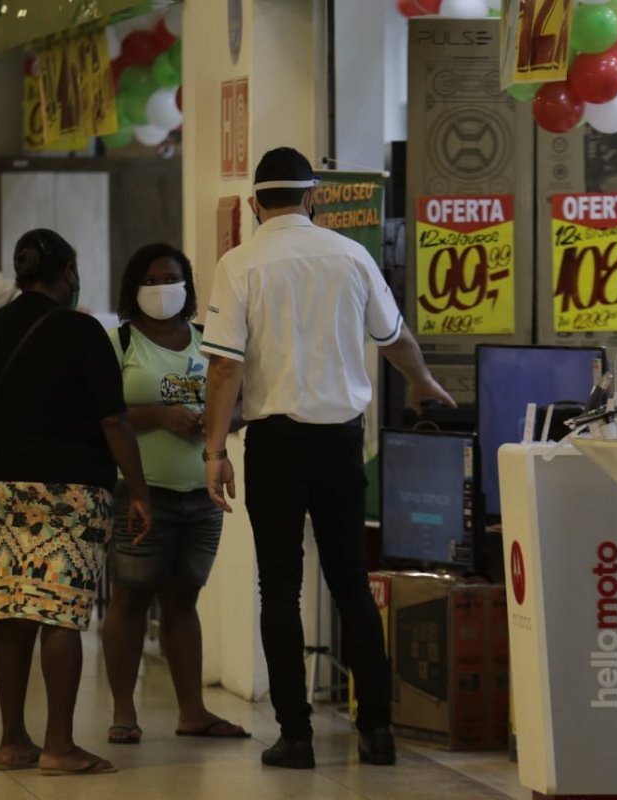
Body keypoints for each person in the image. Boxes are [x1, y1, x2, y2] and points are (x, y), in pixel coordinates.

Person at [200, 148, 456, 769]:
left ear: (258, 202)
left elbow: (225, 367)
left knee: (280, 590)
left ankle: (296, 736)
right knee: (351, 587)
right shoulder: (352, 255)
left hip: (276, 447)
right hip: (343, 441)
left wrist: (214, 451)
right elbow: (395, 338)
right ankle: (377, 732)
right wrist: (424, 383)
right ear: (311, 196)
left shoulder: (239, 265)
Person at [0, 228, 152, 776]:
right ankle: (59, 745)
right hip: (72, 490)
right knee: (61, 614)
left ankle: (13, 741)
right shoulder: (83, 333)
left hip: (3, 490)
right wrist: (138, 489)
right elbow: (115, 421)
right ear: (66, 273)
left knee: (15, 613)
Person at [101, 243, 250, 745]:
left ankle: (193, 711)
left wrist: (218, 422)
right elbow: (100, 414)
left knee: (184, 600)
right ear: (133, 289)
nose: (164, 289)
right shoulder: (118, 343)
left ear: (188, 286)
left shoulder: (208, 342)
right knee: (129, 598)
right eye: (152, 280)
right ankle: (124, 711)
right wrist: (160, 416)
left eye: (172, 279)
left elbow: (238, 404)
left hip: (199, 492)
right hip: (140, 491)